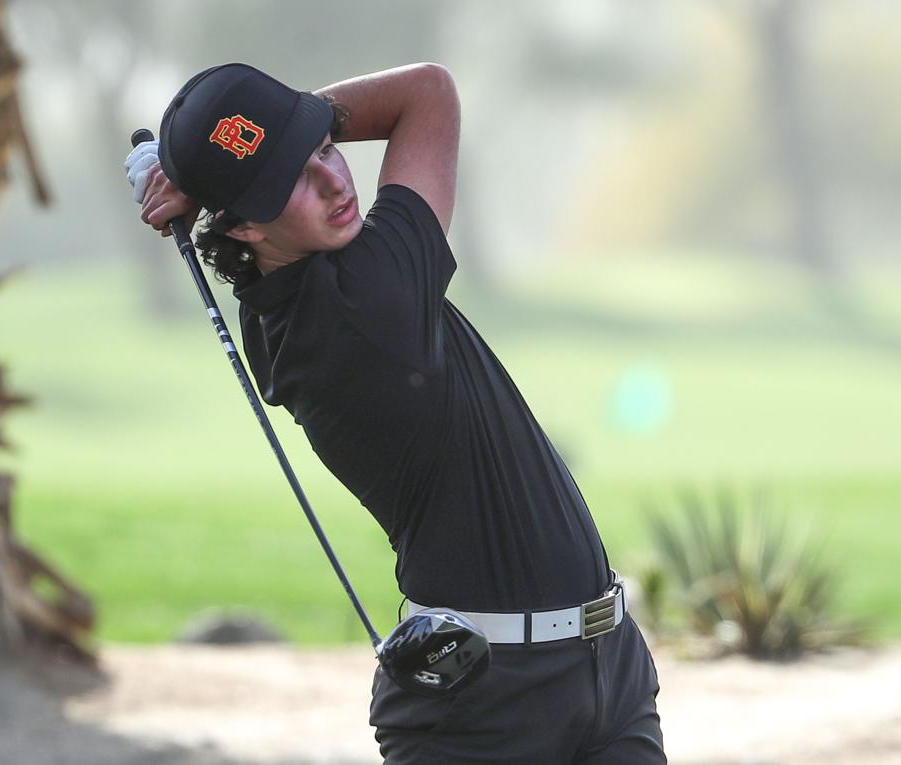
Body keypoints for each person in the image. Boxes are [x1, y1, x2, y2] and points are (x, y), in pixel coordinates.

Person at [125, 61, 665, 765]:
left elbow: (406, 108)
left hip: (600, 673)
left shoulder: (281, 304)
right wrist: (279, 126)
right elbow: (428, 94)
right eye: (290, 179)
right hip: (486, 714)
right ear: (242, 228)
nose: (333, 179)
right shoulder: (371, 299)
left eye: (322, 146)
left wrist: (234, 154)